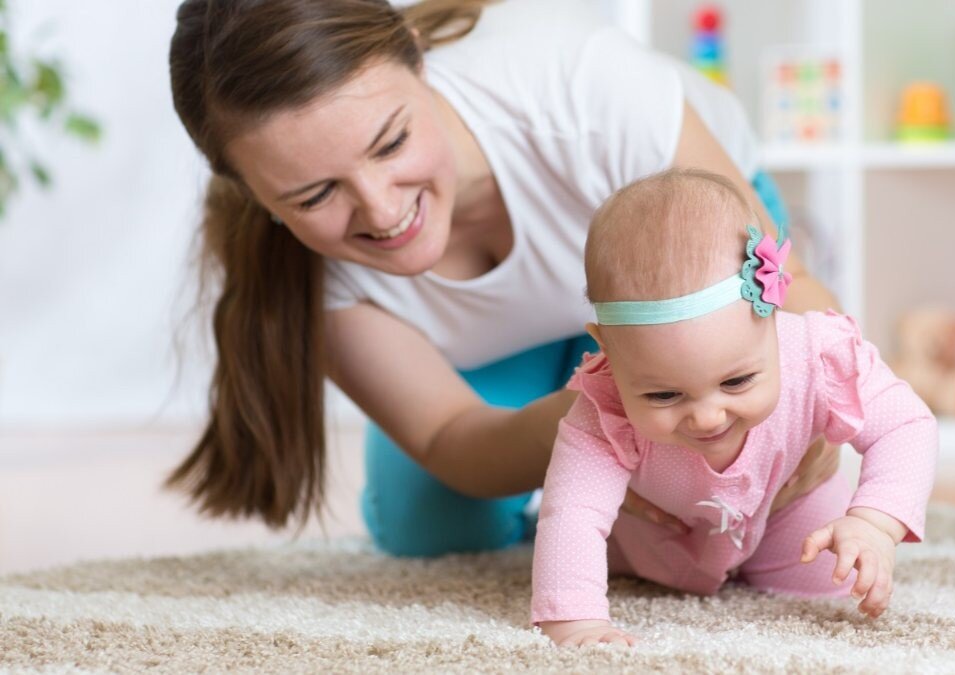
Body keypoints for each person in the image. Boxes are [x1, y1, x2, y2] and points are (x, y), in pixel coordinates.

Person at [166, 0, 842, 557]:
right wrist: (579, 434)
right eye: (315, 195)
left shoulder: (580, 83)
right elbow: (448, 435)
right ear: (253, 193)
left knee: (756, 510)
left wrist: (809, 420)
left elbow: (793, 285)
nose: (381, 209)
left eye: (391, 142)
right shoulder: (307, 272)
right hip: (518, 347)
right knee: (432, 530)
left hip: (685, 283)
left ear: (418, 60)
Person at [531, 169, 938, 647]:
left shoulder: (818, 354)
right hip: (657, 537)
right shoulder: (605, 408)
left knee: (843, 585)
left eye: (736, 381)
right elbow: (573, 511)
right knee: (589, 558)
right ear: (607, 349)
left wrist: (873, 523)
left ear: (772, 316)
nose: (708, 417)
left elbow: (905, 424)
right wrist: (576, 621)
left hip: (790, 511)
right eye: (663, 395)